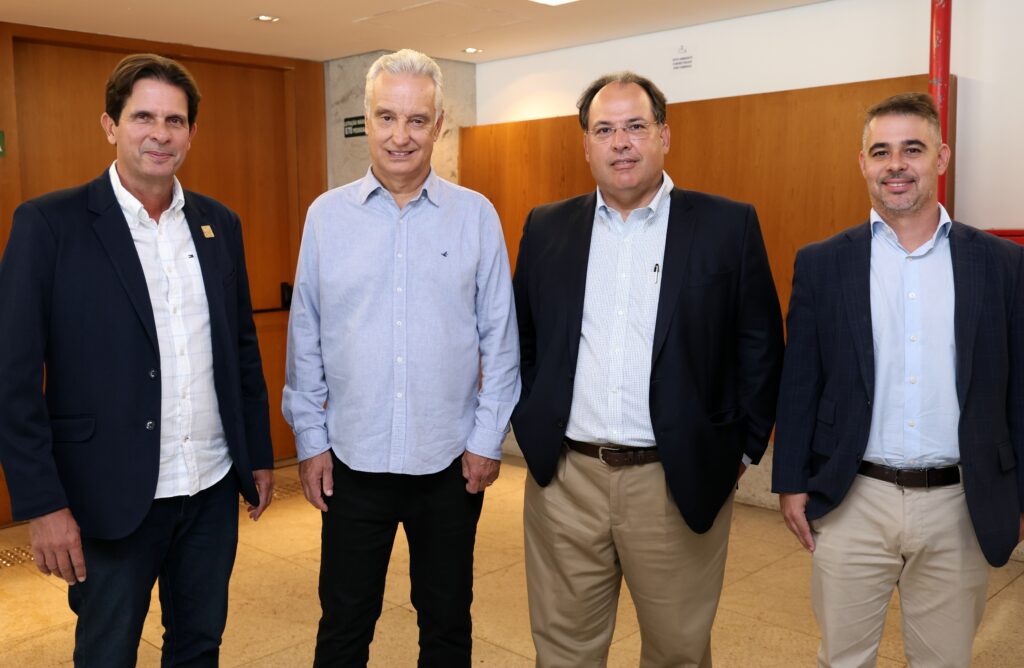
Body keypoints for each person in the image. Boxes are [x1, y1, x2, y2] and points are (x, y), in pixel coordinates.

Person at [0, 53, 275, 667]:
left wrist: (256, 453)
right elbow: (11, 378)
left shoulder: (219, 225)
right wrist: (42, 504)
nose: (160, 134)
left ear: (191, 133)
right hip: (107, 496)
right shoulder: (50, 224)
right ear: (110, 125)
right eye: (143, 117)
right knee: (107, 653)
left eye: (174, 120)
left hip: (208, 487)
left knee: (199, 646)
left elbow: (239, 349)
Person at [511, 72, 784, 667]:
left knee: (677, 651)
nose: (621, 143)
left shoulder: (726, 225)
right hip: (567, 480)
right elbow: (525, 337)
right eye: (604, 130)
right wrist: (534, 428)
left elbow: (760, 345)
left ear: (664, 135)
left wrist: (740, 453)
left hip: (674, 481)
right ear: (586, 144)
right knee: (562, 650)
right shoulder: (547, 226)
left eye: (635, 126)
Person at [282, 49, 519, 667]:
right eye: (386, 117)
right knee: (343, 624)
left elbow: (501, 339)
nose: (400, 135)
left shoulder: (475, 216)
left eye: (417, 120)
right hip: (351, 461)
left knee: (447, 622)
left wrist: (487, 440)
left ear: (439, 125)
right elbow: (305, 336)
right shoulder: (326, 217)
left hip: (449, 462)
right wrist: (310, 439)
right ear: (367, 119)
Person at [773, 92, 1024, 667]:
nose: (896, 165)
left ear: (941, 157)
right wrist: (789, 480)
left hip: (960, 503)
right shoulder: (822, 263)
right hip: (852, 498)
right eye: (881, 151)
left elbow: (1018, 391)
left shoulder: (1001, 265)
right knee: (843, 658)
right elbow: (800, 380)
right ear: (862, 162)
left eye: (913, 149)